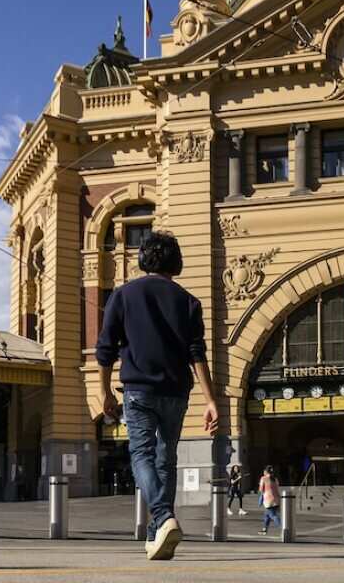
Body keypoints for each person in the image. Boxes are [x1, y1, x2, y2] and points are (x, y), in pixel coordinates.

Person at [98, 231, 219, 561]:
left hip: (138, 390)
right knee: (167, 458)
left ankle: (164, 518)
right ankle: (156, 533)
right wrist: (211, 401)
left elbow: (106, 348)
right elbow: (197, 354)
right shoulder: (188, 301)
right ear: (175, 262)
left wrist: (104, 390)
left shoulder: (122, 295)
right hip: (177, 391)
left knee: (141, 454)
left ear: (142, 259)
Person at [258, 465, 281, 535]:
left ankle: (283, 528)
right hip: (276, 499)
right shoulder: (275, 479)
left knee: (273, 515)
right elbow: (277, 489)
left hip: (268, 500)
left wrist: (260, 500)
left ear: (265, 471)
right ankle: (264, 529)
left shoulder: (263, 478)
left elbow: (261, 490)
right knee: (266, 515)